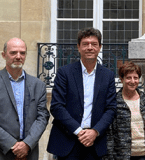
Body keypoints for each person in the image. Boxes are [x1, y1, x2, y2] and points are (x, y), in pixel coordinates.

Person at [47, 27, 117, 160]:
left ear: (100, 47)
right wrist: (80, 132)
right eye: (85, 44)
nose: (89, 47)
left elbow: (111, 109)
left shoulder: (108, 75)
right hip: (68, 141)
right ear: (78, 47)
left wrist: (95, 132)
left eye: (94, 44)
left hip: (95, 142)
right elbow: (56, 106)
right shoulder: (64, 73)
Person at [0, 38, 50, 160]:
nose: (18, 56)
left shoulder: (38, 85)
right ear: (4, 55)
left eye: (22, 53)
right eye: (13, 53)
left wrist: (27, 144)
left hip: (28, 153)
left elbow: (42, 117)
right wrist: (13, 145)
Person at [105, 62, 145, 160]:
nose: (132, 81)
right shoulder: (114, 101)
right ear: (121, 79)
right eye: (128, 77)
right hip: (123, 156)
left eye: (135, 77)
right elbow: (110, 133)